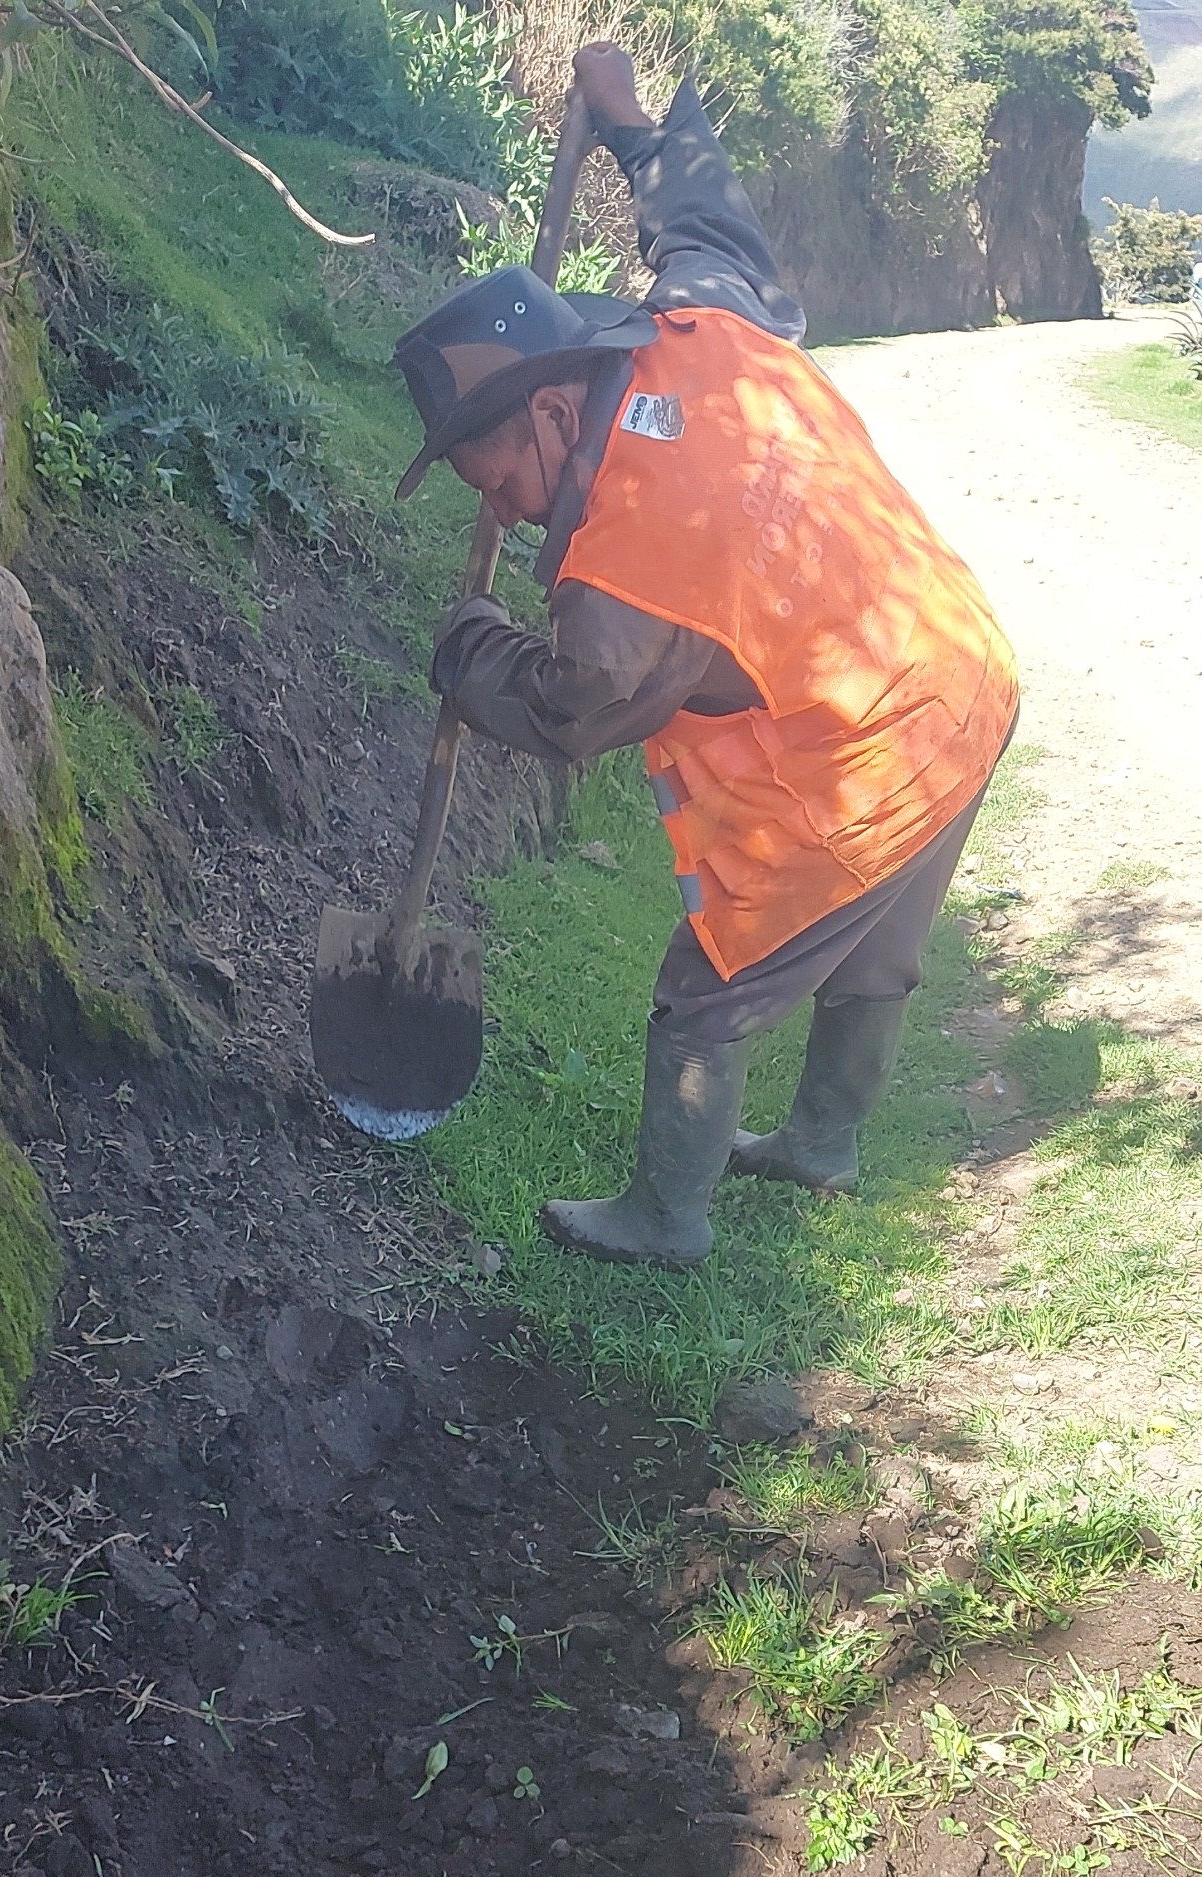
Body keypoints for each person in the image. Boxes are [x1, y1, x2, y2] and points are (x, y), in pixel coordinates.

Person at [391, 43, 1019, 1268]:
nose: (502, 511)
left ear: (555, 411)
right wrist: (630, 120)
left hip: (875, 736)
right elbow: (707, 218)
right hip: (960, 664)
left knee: (706, 988)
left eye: (497, 478)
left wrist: (468, 650)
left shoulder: (633, 562)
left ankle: (664, 1218)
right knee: (873, 948)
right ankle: (823, 1145)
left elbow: (574, 706)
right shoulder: (704, 321)